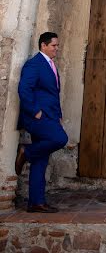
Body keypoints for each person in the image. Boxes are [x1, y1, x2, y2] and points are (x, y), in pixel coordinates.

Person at [15, 32, 68, 213]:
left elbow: (53, 93)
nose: (56, 49)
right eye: (54, 46)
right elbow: (24, 89)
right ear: (43, 45)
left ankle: (36, 202)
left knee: (41, 160)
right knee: (60, 139)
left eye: (57, 46)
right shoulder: (34, 64)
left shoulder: (51, 65)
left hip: (51, 116)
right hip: (37, 117)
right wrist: (34, 111)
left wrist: (59, 114)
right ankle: (26, 151)